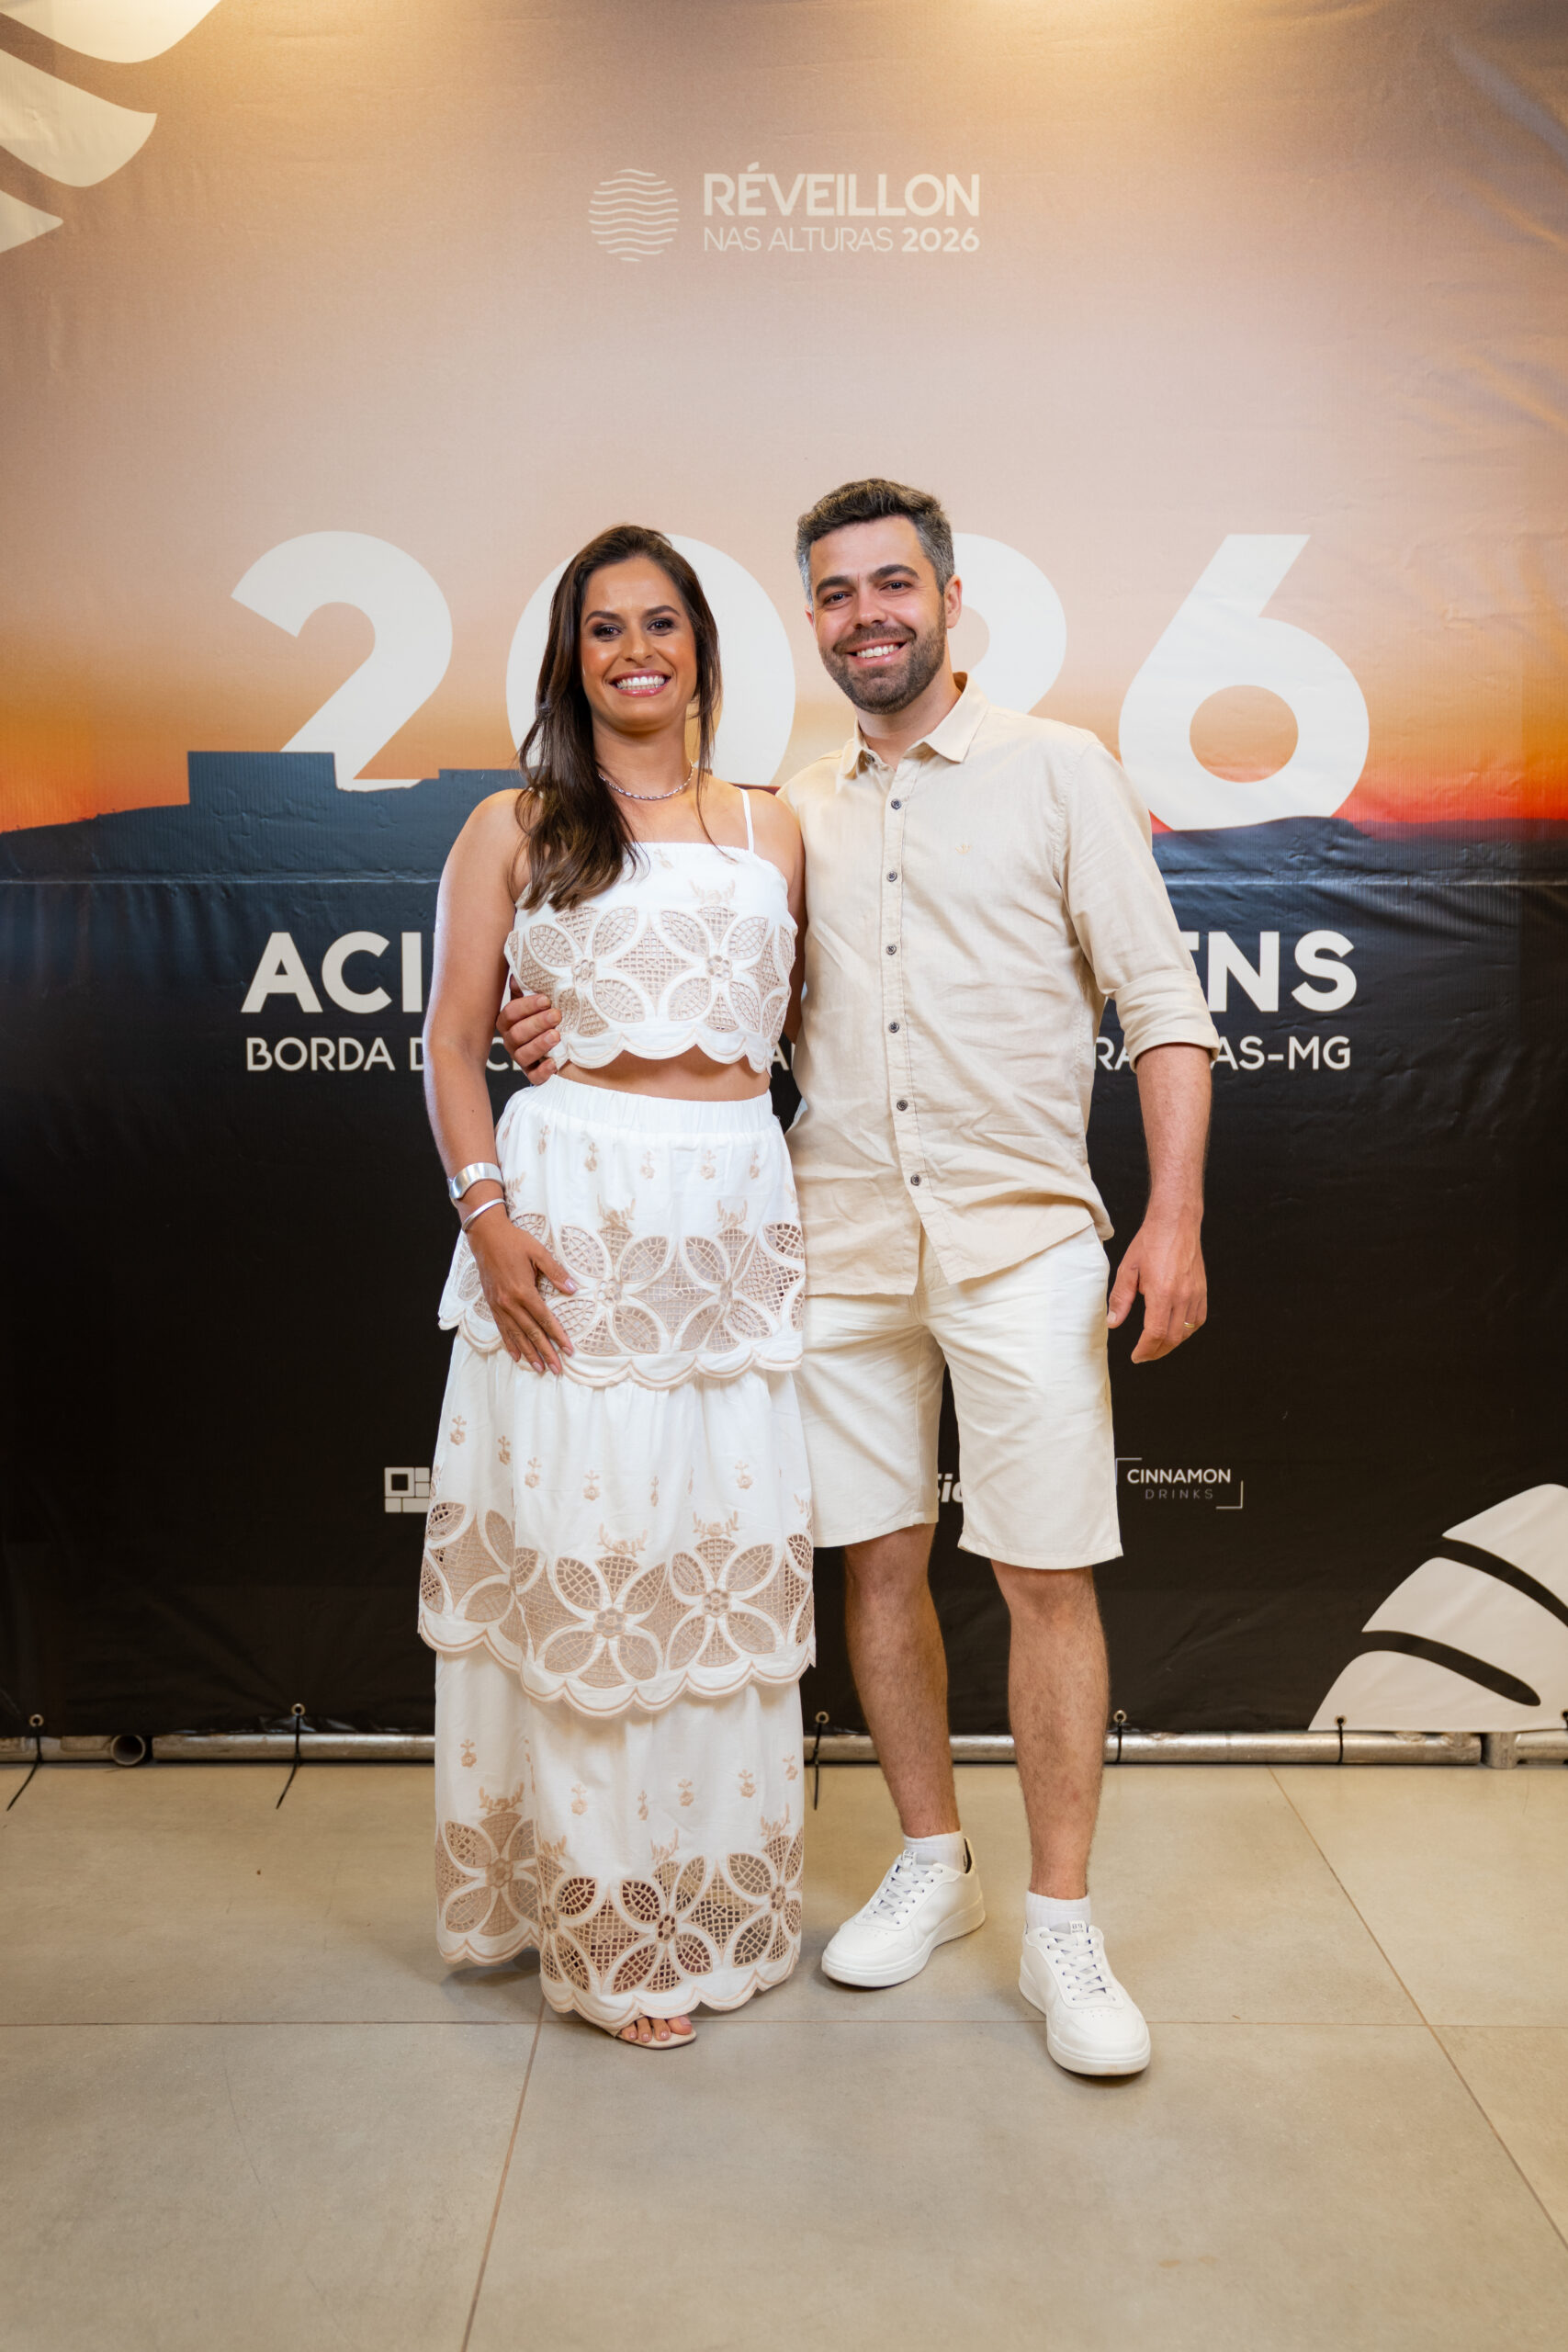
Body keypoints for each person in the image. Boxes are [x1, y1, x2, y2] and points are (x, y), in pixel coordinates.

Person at [502, 481, 1219, 2077]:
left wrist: (1172, 1216)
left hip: (1023, 1237)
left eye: (893, 585)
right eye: (835, 593)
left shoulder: (1060, 768)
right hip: (831, 1244)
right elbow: (691, 978)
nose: (865, 615)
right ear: (810, 621)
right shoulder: (788, 812)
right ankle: (931, 1863)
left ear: (950, 601)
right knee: (876, 1567)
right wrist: (550, 1016)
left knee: (1046, 1575)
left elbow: (1165, 1005)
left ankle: (1062, 1923)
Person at [420, 524, 810, 2048]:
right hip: (573, 1207)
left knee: (707, 1566)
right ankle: (607, 1936)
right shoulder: (514, 824)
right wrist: (488, 1219)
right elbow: (456, 1041)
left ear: (703, 647)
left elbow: (796, 1024)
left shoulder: (775, 826)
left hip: (731, 1216)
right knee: (596, 1567)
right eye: (604, 627)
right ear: (569, 658)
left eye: (660, 622)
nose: (635, 649)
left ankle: (706, 1900)